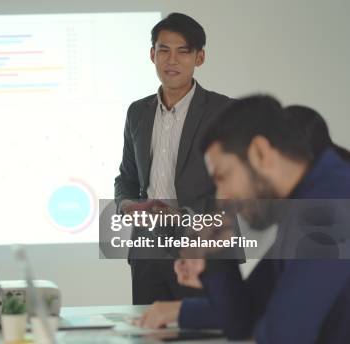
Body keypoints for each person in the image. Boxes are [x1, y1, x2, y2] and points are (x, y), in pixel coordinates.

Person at [137, 104, 350, 329]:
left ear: (261, 153)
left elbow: (279, 334)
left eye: (223, 176)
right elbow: (249, 311)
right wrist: (216, 252)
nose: (222, 197)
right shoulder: (301, 207)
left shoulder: (328, 209)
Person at [114, 12, 233, 304]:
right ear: (152, 54)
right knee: (148, 330)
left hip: (201, 249)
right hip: (148, 249)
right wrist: (128, 205)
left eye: (183, 51)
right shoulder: (137, 112)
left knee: (200, 333)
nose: (172, 60)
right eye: (164, 50)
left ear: (199, 57)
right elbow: (127, 177)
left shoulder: (223, 111)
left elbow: (233, 185)